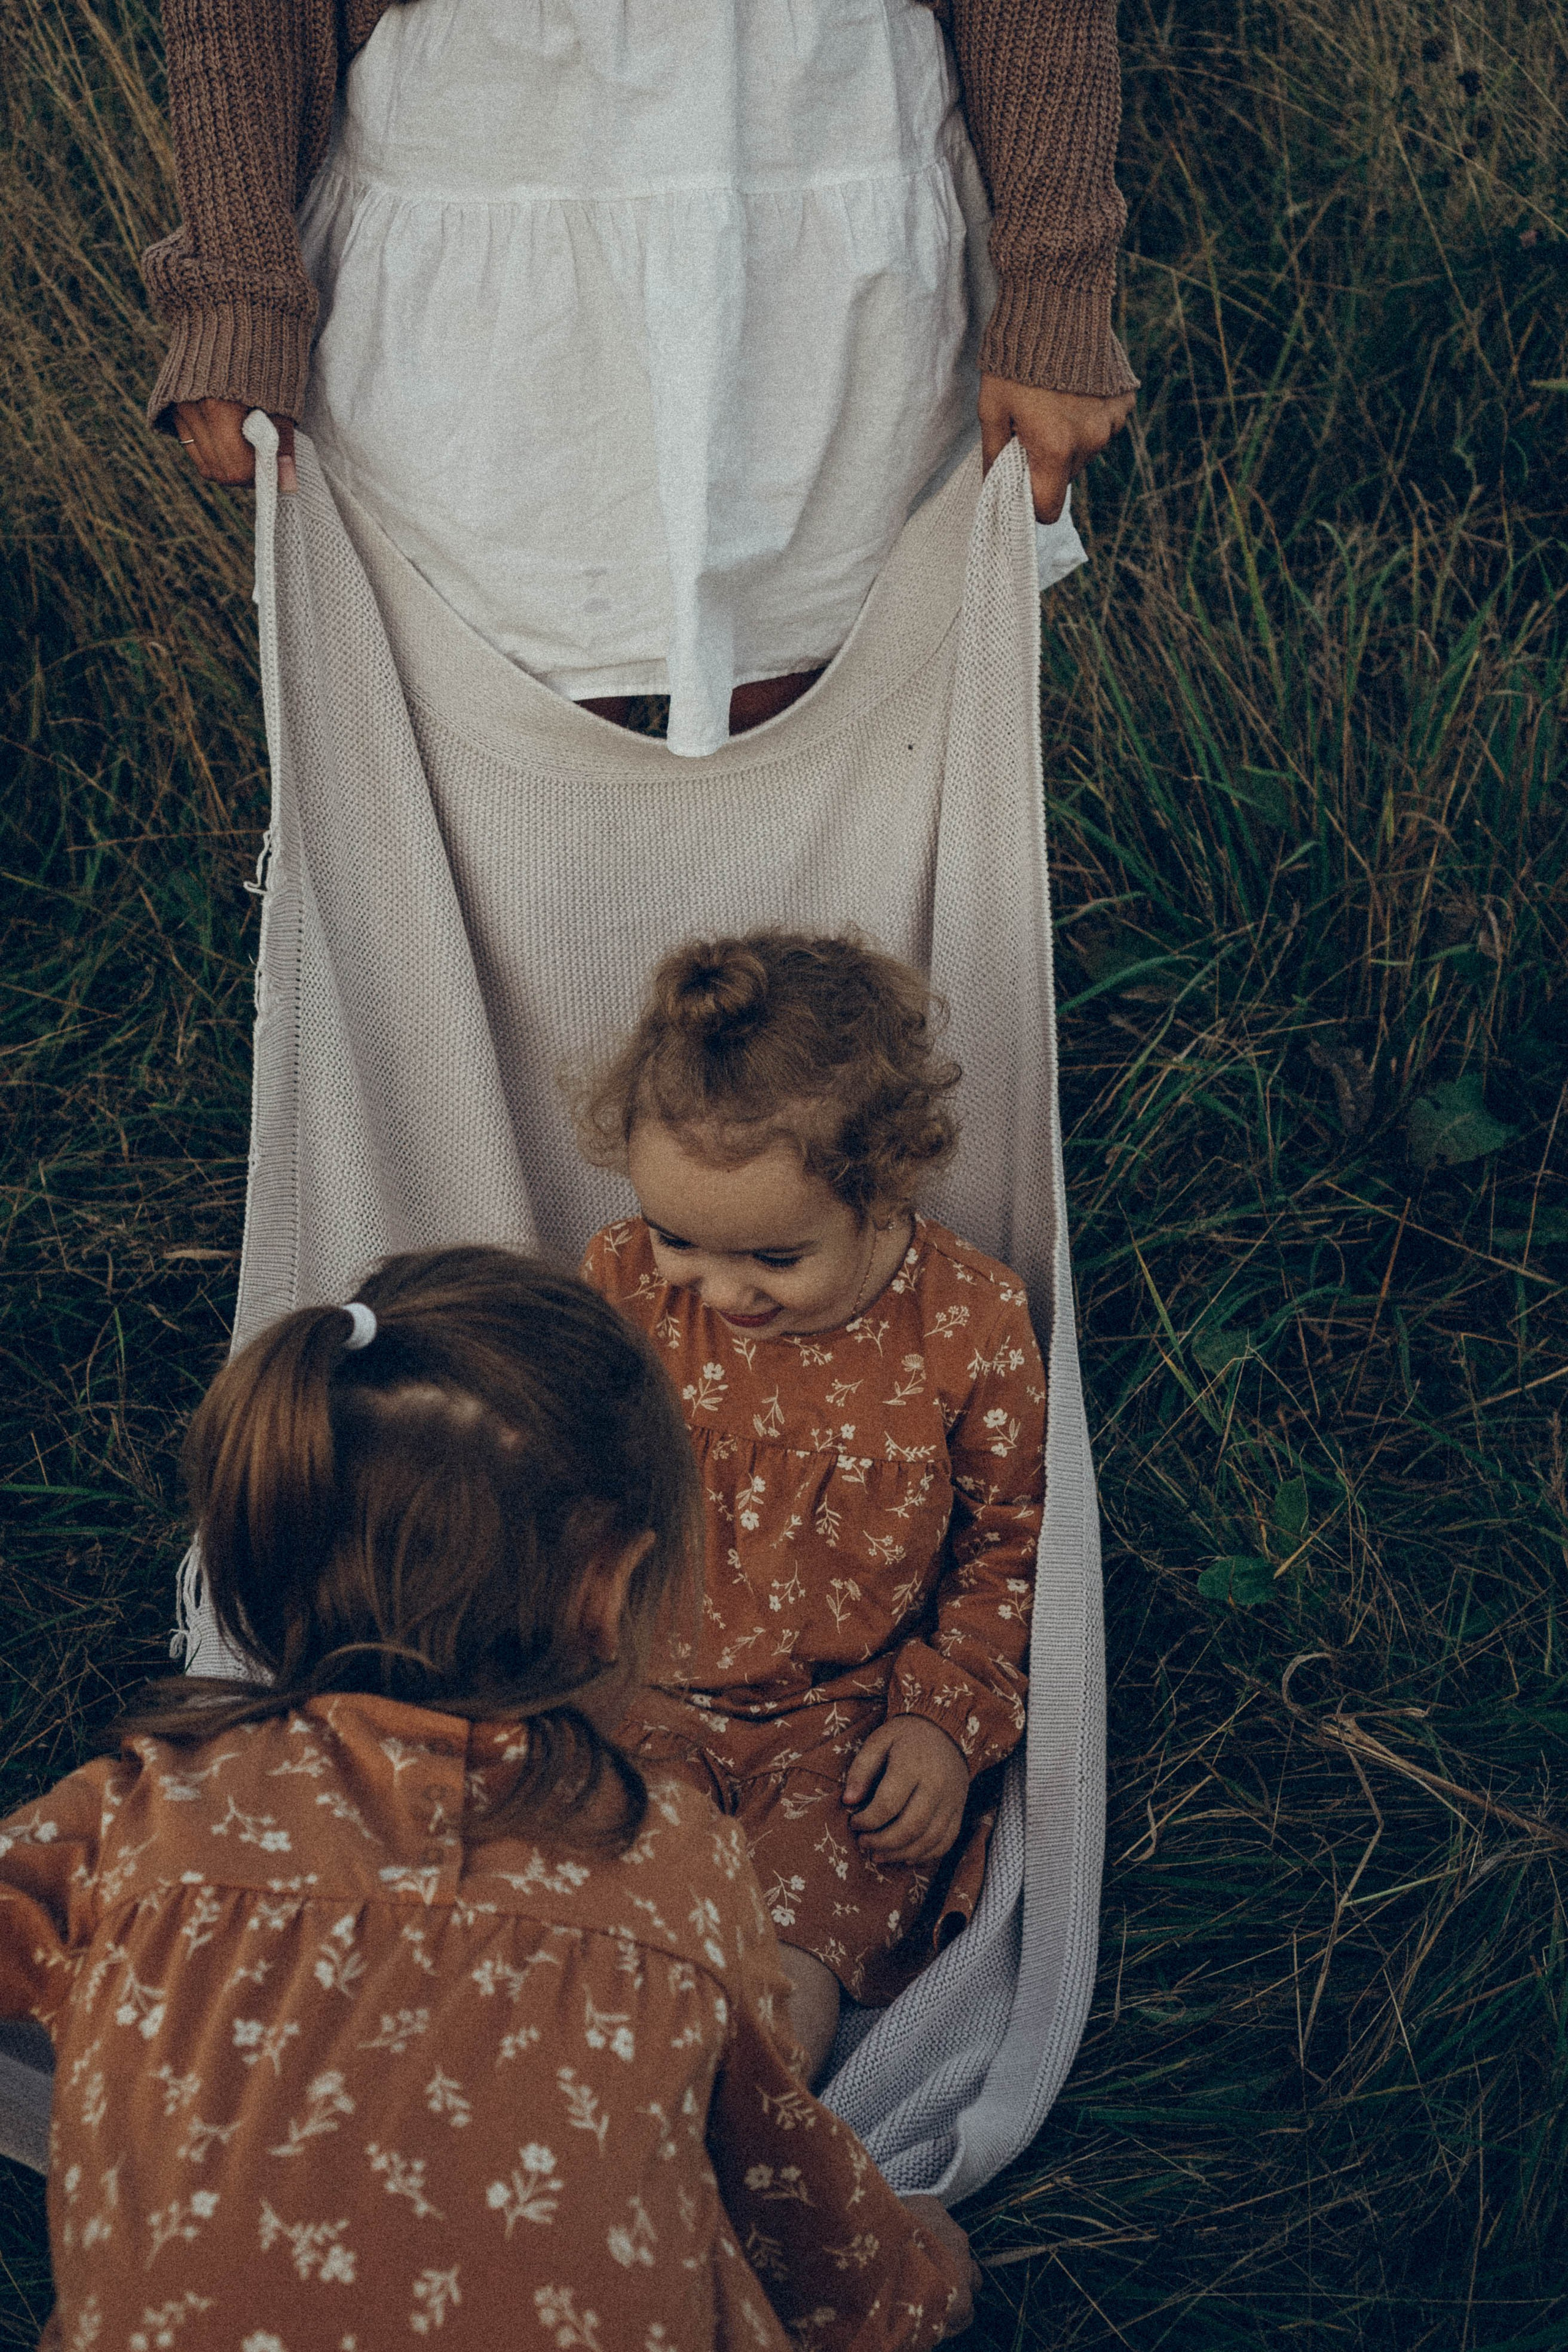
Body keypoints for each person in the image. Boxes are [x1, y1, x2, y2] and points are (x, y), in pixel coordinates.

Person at [0, 1246, 978, 2350]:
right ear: (608, 1591)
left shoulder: (137, 1816)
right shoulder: (673, 1863)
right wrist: (911, 2281)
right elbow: (774, 2175)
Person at [146, 0, 1137, 755]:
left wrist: (1058, 275)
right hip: (479, 158)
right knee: (492, 723)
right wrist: (235, 280)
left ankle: (818, 1028)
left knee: (836, 726)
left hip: (826, 138)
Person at [577, 934, 1045, 2082]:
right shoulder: (628, 1287)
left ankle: (753, 2133)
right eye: (677, 1236)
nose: (718, 1288)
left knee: (798, 1948)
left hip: (846, 1720)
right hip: (645, 1689)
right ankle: (594, 2126)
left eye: (774, 1258)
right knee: (619, 1912)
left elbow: (1008, 1544)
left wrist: (944, 1719)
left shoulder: (969, 1324)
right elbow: (565, 1472)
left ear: (885, 1189)